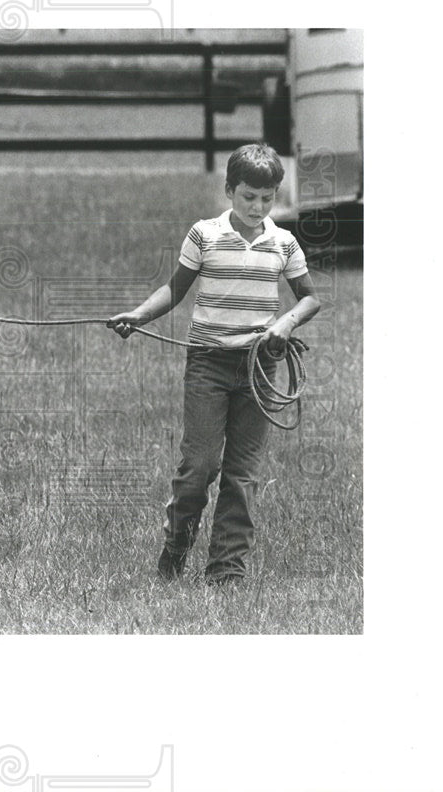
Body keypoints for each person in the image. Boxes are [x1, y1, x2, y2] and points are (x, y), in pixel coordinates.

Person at [108, 142, 320, 584]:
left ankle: (226, 571)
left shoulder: (283, 242)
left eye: (267, 198)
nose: (258, 207)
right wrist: (139, 315)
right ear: (228, 190)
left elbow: (310, 298)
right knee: (199, 466)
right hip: (208, 365)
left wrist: (285, 325)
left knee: (243, 475)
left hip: (260, 369)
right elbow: (174, 289)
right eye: (248, 197)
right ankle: (176, 546)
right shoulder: (204, 234)